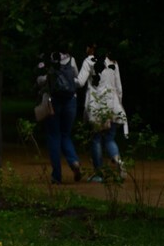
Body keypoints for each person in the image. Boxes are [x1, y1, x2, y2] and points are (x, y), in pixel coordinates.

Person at [78, 48, 127, 181]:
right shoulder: (113, 63)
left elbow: (80, 82)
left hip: (96, 107)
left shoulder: (89, 61)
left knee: (96, 139)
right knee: (110, 139)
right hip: (113, 105)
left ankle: (99, 174)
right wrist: (118, 105)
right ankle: (119, 163)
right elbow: (119, 88)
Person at [37, 50, 83, 184]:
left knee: (54, 136)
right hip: (70, 100)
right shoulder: (71, 58)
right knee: (65, 134)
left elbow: (40, 80)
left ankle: (56, 175)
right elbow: (78, 81)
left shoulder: (46, 57)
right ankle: (74, 161)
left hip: (53, 101)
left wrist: (49, 79)